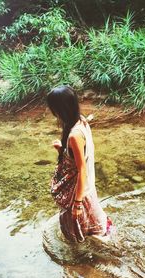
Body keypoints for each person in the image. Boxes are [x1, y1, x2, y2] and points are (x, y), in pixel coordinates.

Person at [46, 85, 112, 242]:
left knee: (77, 236)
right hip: (87, 190)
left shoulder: (74, 136)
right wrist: (63, 150)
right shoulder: (81, 121)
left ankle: (85, 264)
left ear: (60, 109)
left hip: (80, 193)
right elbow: (81, 158)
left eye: (53, 108)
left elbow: (82, 169)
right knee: (96, 228)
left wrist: (77, 204)